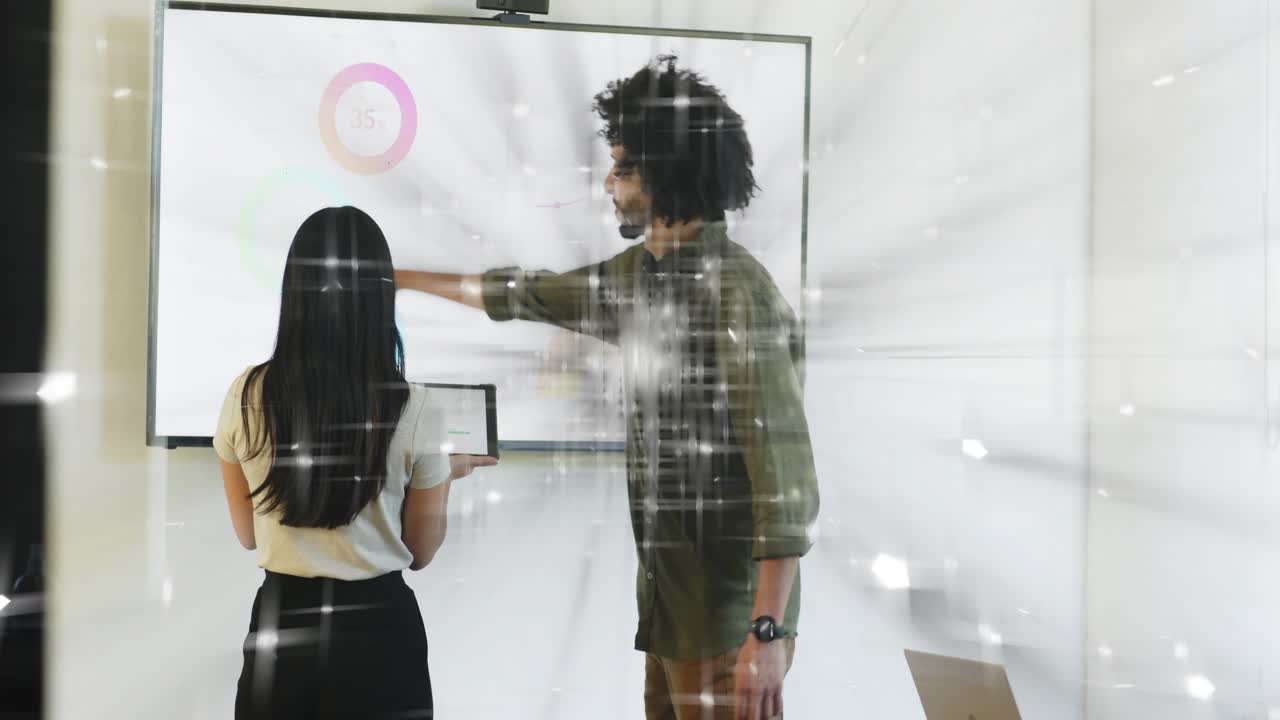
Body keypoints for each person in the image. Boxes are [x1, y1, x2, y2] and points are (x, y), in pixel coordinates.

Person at [396, 56, 819, 720]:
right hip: (673, 609)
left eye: (623, 168)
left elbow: (785, 481)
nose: (608, 184)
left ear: (667, 174)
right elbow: (524, 294)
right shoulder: (639, 277)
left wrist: (766, 633)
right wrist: (401, 279)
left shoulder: (740, 298)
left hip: (729, 622)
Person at [214, 206, 496, 719]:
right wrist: (443, 477)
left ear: (295, 289)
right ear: (378, 294)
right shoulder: (416, 407)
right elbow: (421, 550)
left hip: (282, 628)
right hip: (379, 636)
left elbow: (249, 534)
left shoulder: (245, 394)